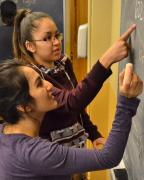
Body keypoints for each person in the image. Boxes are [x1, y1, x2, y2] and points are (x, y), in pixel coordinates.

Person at [13, 9, 136, 154]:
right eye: (47, 38)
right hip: (54, 154)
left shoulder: (62, 64)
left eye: (57, 35)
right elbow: (71, 102)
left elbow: (78, 106)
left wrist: (93, 134)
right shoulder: (33, 77)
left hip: (75, 148)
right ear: (30, 46)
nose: (56, 42)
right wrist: (107, 59)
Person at [0, 60, 143, 179]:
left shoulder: (5, 132)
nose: (50, 85)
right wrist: (126, 101)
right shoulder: (36, 153)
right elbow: (108, 157)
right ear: (24, 107)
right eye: (39, 84)